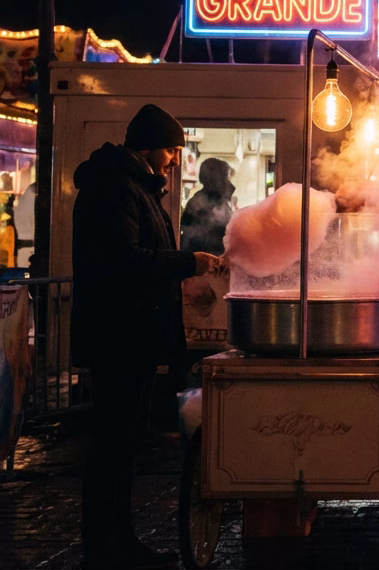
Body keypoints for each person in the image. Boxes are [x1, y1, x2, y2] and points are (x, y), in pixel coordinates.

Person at [72, 104, 221, 569]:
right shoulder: (116, 188)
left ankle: (120, 541)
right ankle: (105, 547)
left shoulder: (134, 186)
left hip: (130, 336)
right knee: (113, 445)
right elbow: (124, 261)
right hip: (118, 336)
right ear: (152, 147)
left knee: (125, 442)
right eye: (174, 150)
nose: (176, 160)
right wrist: (187, 262)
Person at [180, 157, 234, 254]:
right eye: (225, 178)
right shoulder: (199, 205)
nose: (229, 183)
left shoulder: (219, 202)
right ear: (214, 179)